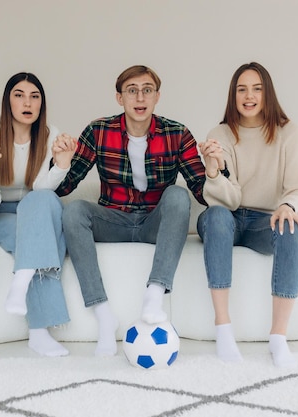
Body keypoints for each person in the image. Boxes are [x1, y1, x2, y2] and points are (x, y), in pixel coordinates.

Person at [56, 65, 221, 357]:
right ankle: (103, 313)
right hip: (113, 219)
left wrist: (213, 169)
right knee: (74, 212)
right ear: (120, 98)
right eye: (131, 90)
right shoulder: (99, 131)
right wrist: (62, 162)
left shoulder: (177, 133)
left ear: (157, 96)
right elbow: (65, 187)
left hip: (153, 222)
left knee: (178, 196)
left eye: (147, 90)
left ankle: (155, 294)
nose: (139, 97)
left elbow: (201, 191)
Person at [197, 62, 298, 367]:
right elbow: (230, 199)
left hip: (267, 220)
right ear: (233, 96)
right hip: (229, 217)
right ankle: (223, 328)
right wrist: (212, 169)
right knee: (218, 216)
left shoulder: (289, 133)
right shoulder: (220, 133)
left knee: (292, 227)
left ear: (268, 93)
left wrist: (289, 206)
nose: (249, 96)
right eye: (242, 89)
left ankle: (278, 338)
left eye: (257, 89)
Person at [0, 72, 76, 357]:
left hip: (36, 211)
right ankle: (39, 332)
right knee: (42, 239)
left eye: (34, 96)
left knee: (41, 203)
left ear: (42, 104)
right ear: (8, 101)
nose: (27, 102)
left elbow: (42, 189)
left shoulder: (50, 135)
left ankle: (21, 281)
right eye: (19, 95)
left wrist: (62, 165)